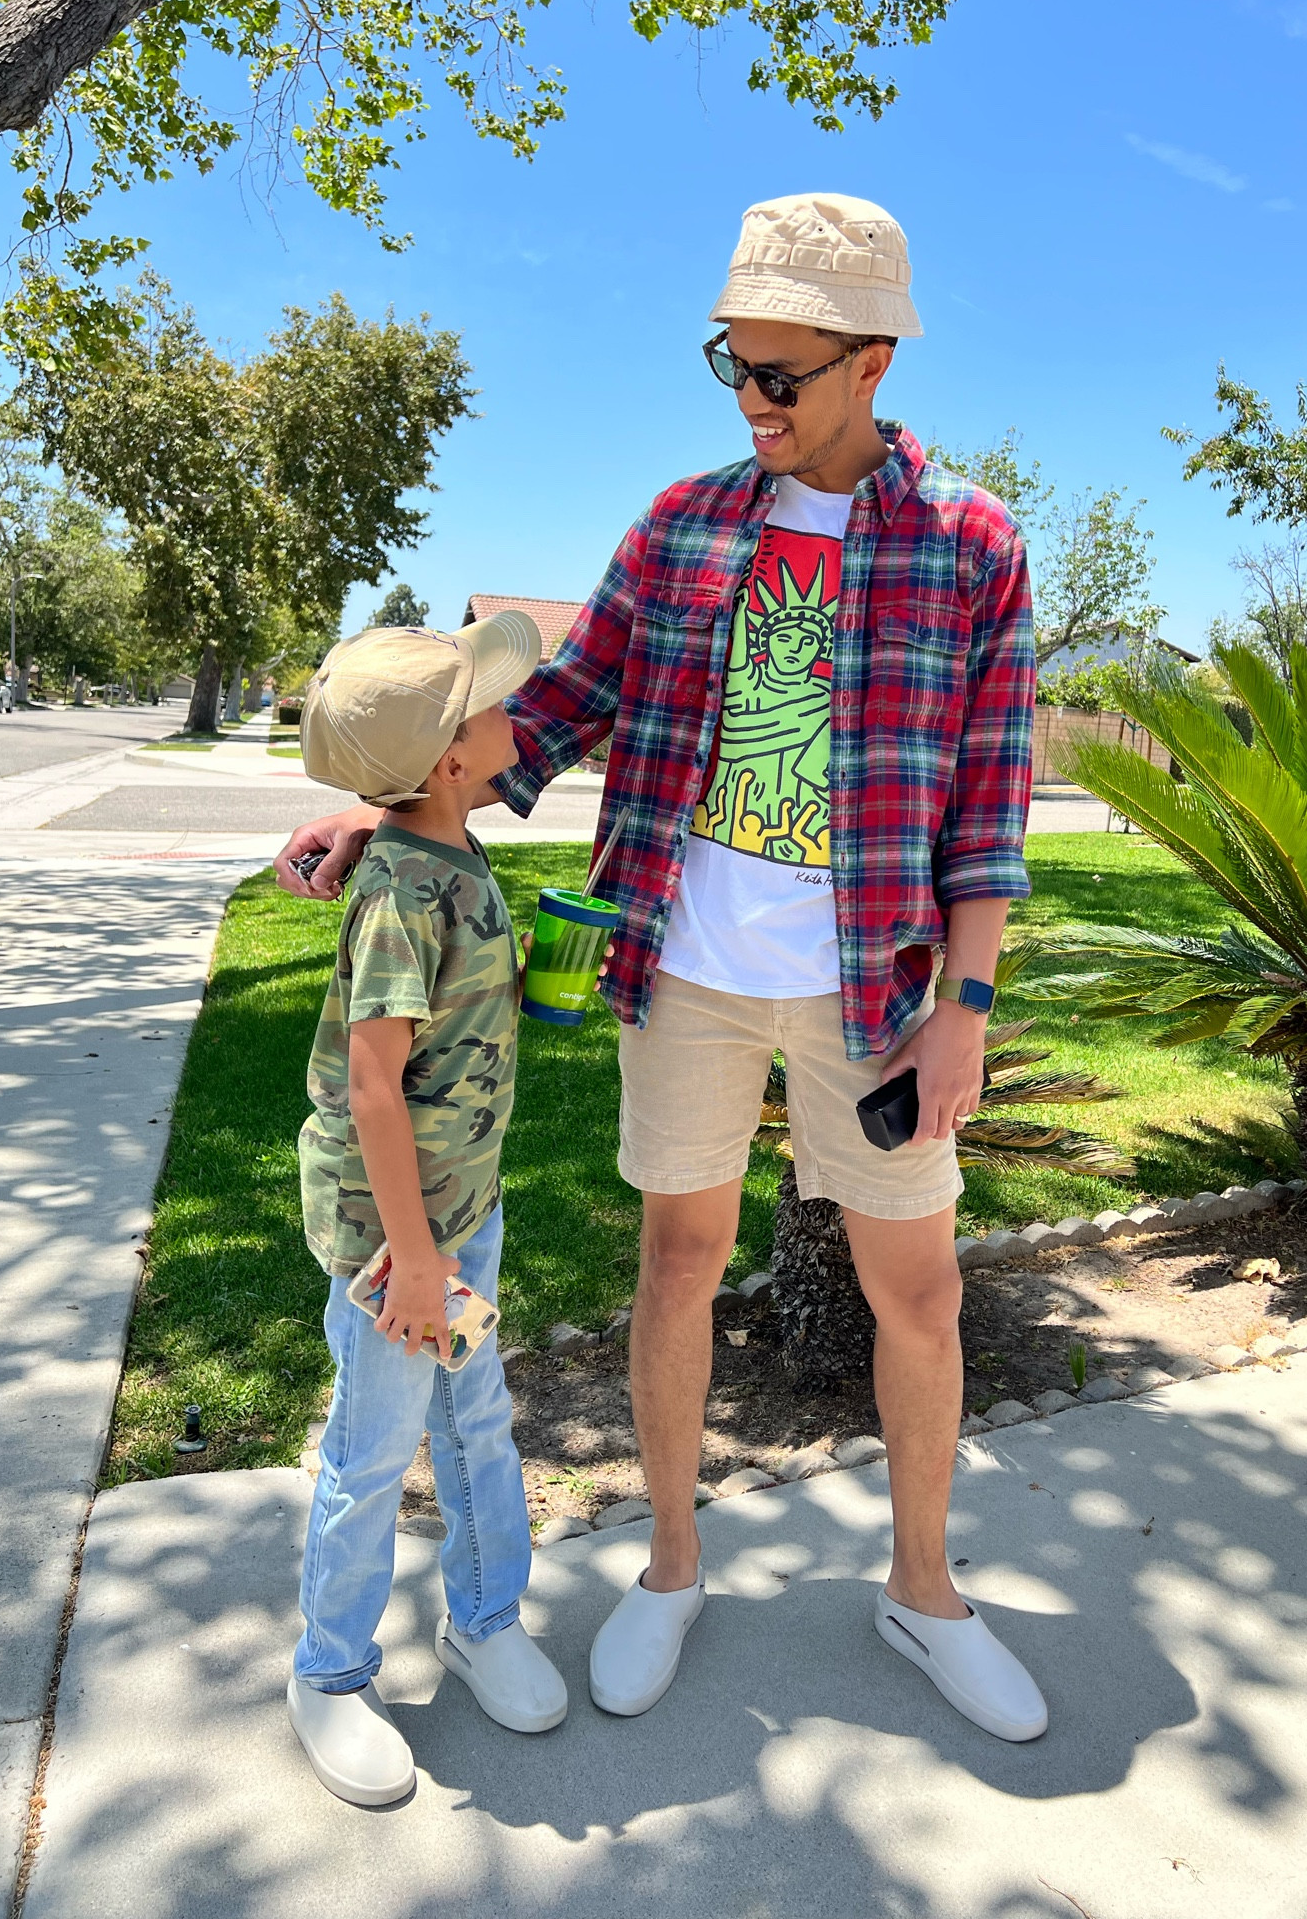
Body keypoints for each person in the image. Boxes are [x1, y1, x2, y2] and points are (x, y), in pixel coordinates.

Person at [276, 191, 1046, 1742]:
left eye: (784, 375)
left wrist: (965, 1005)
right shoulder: (685, 524)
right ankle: (674, 1569)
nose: (753, 402)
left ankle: (923, 1593)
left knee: (919, 1289)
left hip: (877, 986)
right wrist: (392, 815)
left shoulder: (971, 543)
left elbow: (993, 800)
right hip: (687, 966)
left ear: (873, 361)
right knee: (677, 1265)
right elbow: (560, 704)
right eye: (734, 369)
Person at [287, 608, 570, 1808]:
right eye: (494, 704)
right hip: (393, 1239)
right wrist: (409, 1255)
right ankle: (331, 1670)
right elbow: (371, 1083)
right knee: (373, 1447)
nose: (523, 713)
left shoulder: (449, 849)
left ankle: (485, 1615)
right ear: (452, 757)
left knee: (478, 1424)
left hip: (462, 1213)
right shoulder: (406, 888)